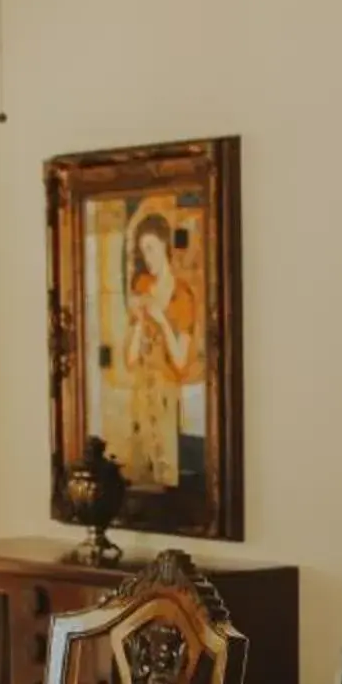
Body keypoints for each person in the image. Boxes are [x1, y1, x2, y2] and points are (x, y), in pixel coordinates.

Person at [117, 208, 200, 486]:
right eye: (143, 251)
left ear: (165, 246)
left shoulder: (183, 295)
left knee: (165, 476)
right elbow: (129, 360)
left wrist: (161, 320)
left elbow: (180, 363)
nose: (147, 257)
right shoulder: (142, 286)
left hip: (166, 398)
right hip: (141, 395)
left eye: (151, 248)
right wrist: (139, 322)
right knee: (137, 474)